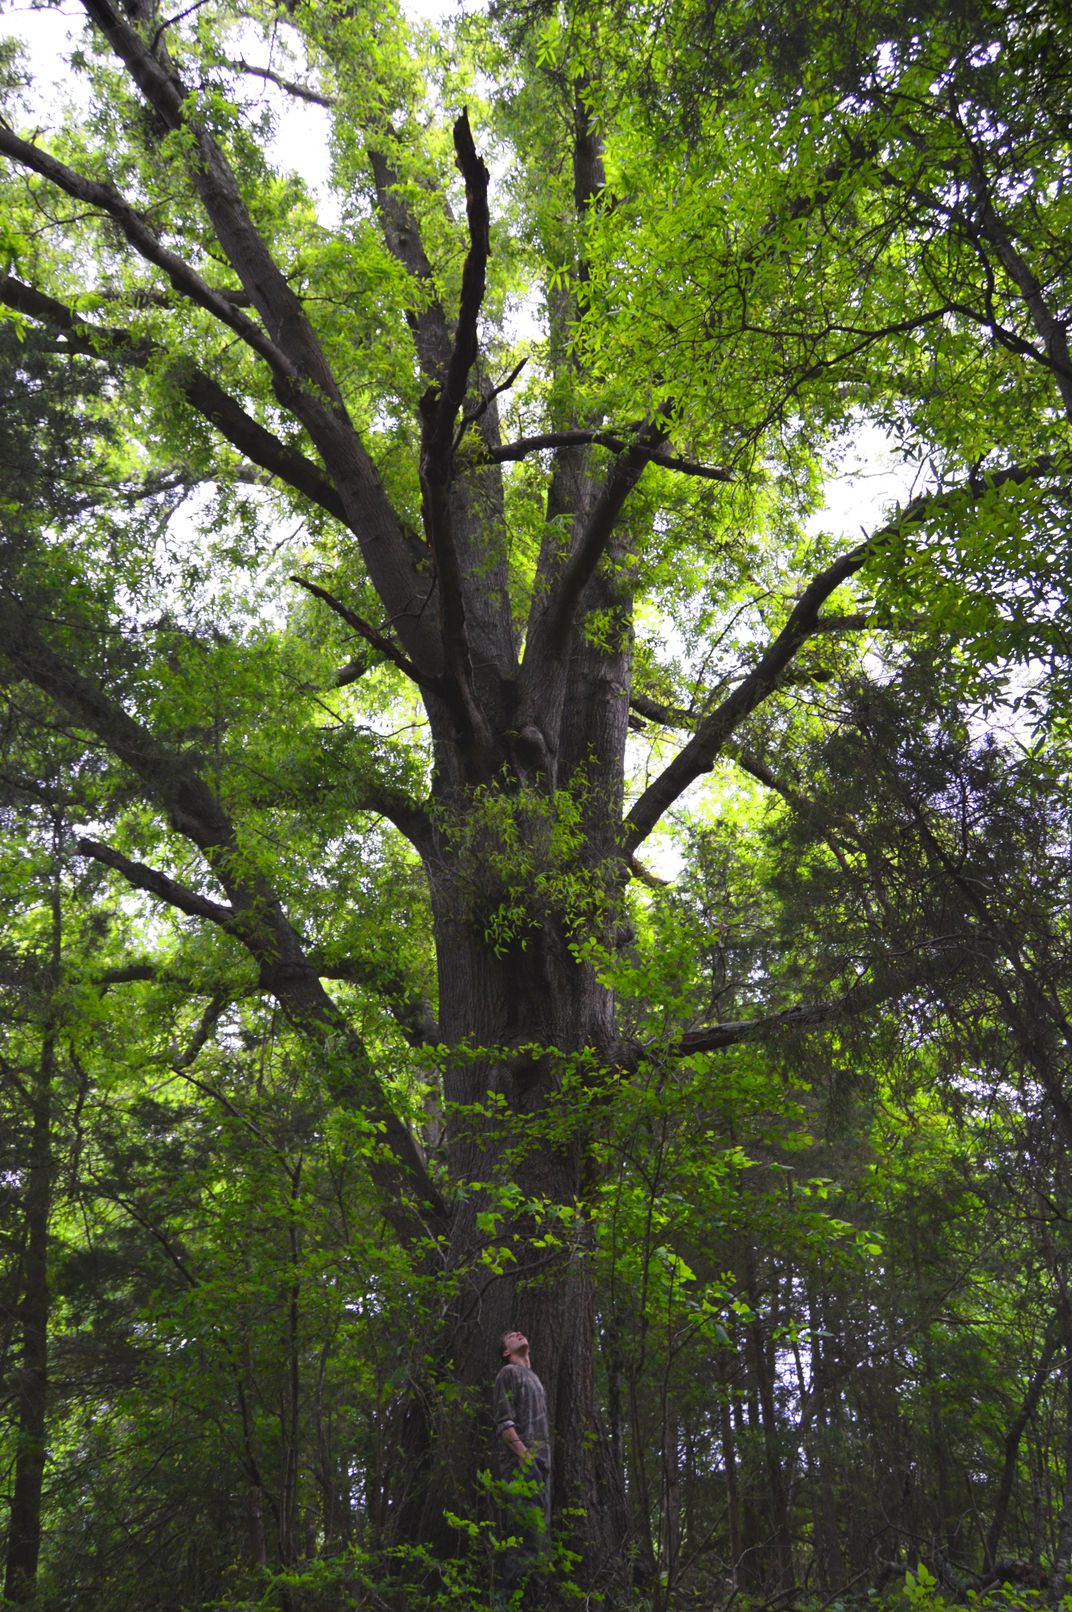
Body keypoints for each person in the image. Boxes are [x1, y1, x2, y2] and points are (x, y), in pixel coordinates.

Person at [493, 1329, 551, 1602]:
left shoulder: (535, 1378)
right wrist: (523, 1454)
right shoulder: (508, 1373)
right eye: (511, 1336)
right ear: (506, 1352)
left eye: (520, 1333)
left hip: (541, 1465)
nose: (519, 1334)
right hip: (521, 1464)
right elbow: (504, 1422)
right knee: (522, 1535)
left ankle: (536, 1599)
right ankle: (512, 1600)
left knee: (539, 1537)